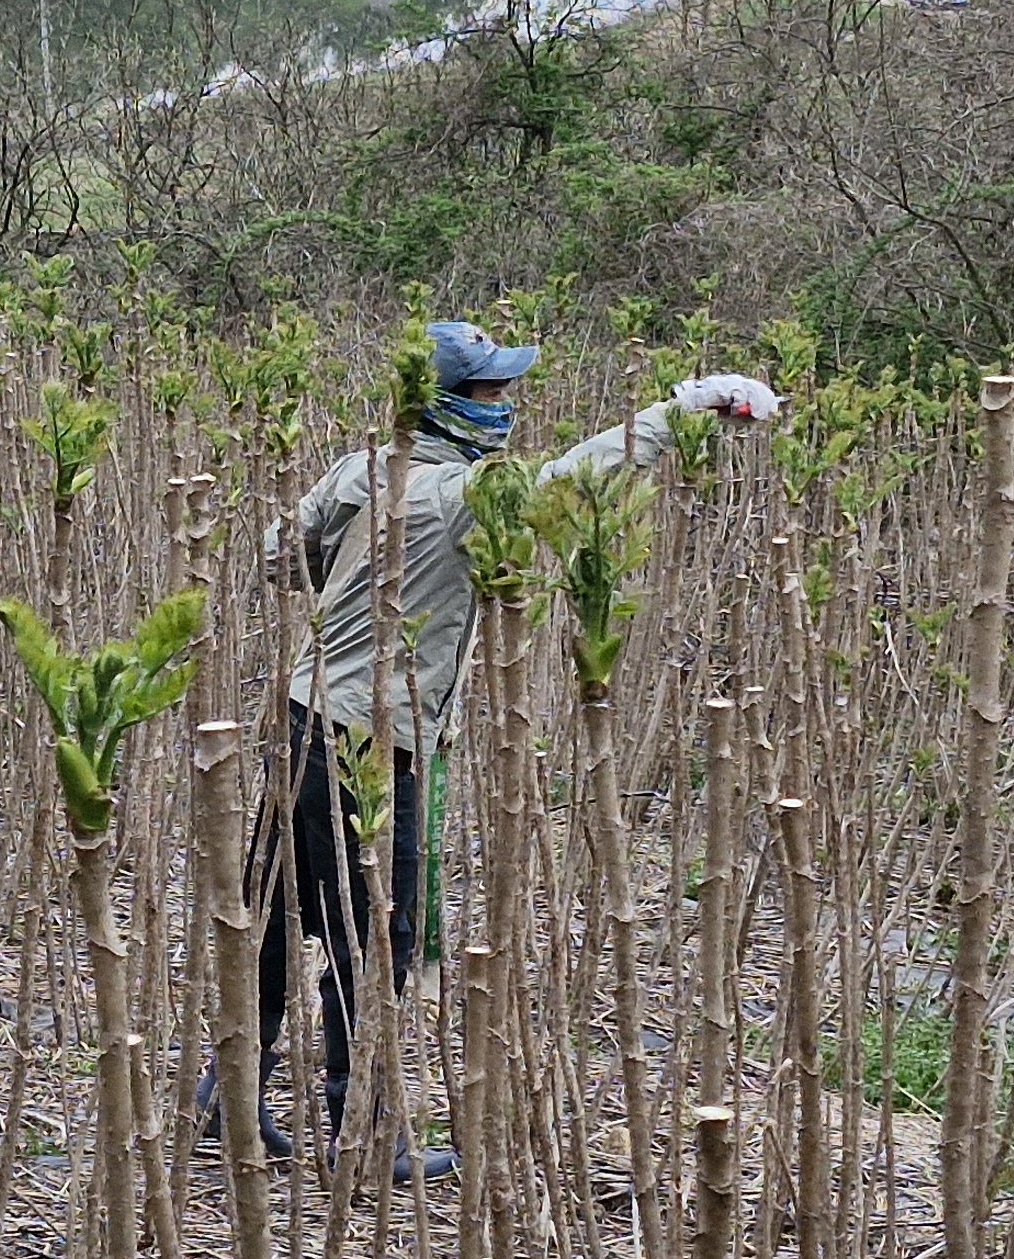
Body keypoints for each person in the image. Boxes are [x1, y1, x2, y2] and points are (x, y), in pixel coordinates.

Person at [212, 322, 780, 1175]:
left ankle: (227, 1096)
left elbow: (277, 557)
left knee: (279, 917)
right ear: (443, 401)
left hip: (300, 714)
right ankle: (362, 1132)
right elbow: (562, 486)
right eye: (489, 393)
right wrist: (678, 411)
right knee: (379, 935)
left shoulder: (364, 468)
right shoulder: (457, 494)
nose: (505, 406)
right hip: (373, 734)